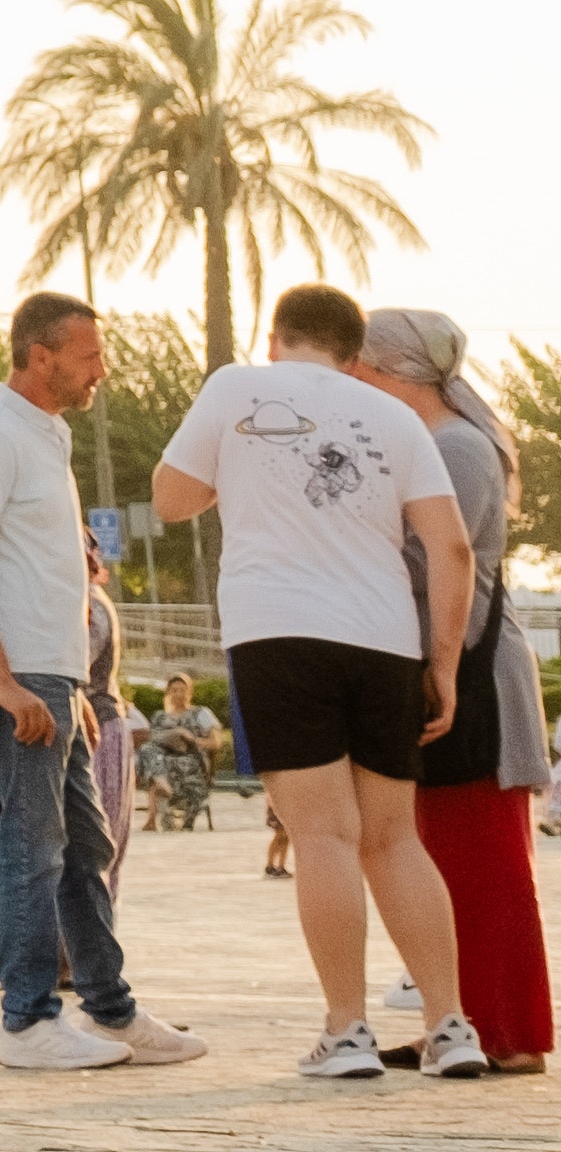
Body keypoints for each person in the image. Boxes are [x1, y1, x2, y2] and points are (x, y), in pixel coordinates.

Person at [157, 278, 481, 1080]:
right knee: (393, 837)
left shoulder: (237, 387)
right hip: (385, 640)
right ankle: (450, 1027)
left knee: (323, 836)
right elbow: (453, 549)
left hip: (280, 632)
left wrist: (238, 470)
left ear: (276, 339)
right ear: (354, 355)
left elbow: (170, 500)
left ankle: (347, 1031)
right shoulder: (400, 418)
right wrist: (442, 665)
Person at [0, 291, 199, 1069]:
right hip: (14, 676)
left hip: (51, 678)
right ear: (40, 356)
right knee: (33, 844)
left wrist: (72, 685)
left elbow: (41, 570)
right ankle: (27, 1021)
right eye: (88, 358)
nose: (101, 373)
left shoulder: (43, 434)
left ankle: (110, 1010)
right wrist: (7, 683)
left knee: (83, 844)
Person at [358, 307, 551, 1075]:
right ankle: (462, 1023)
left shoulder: (457, 449)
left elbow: (446, 570)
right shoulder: (433, 444)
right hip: (446, 669)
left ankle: (510, 1032)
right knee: (441, 860)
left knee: (487, 865)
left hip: (469, 674)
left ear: (395, 370)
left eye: (361, 363)